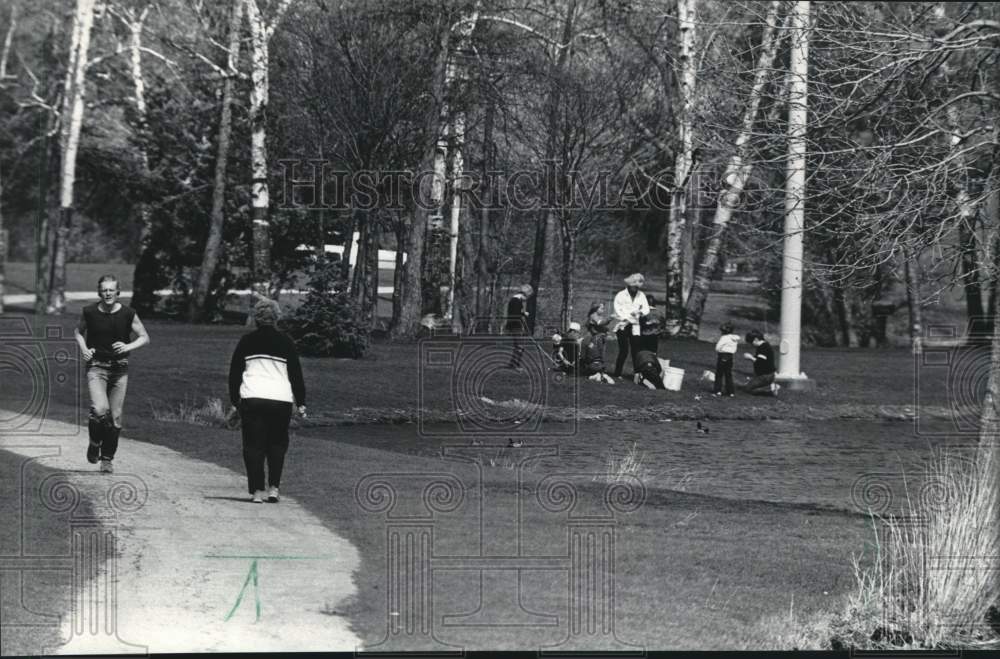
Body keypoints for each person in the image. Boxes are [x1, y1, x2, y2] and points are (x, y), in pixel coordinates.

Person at [228, 299, 307, 503]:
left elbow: (235, 373)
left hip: (253, 396)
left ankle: (257, 491)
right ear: (276, 317)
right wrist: (302, 402)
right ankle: (274, 488)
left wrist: (235, 401)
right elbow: (296, 375)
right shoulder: (286, 341)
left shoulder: (247, 341)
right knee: (277, 444)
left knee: (253, 445)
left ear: (257, 318)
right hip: (280, 399)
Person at [74, 275, 151, 473]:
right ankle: (94, 443)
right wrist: (84, 348)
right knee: (100, 409)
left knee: (115, 417)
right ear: (99, 292)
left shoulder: (128, 313)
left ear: (118, 292)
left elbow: (144, 337)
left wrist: (128, 345)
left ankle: (107, 459)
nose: (108, 293)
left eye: (111, 290)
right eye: (104, 290)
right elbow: (78, 332)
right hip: (96, 366)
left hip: (119, 369)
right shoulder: (89, 312)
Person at [612, 273, 649, 379]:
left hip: (635, 326)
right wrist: (629, 316)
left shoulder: (641, 295)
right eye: (634, 287)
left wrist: (640, 313)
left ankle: (637, 374)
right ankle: (617, 373)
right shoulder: (620, 295)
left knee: (636, 350)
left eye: (638, 287)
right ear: (629, 285)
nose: (636, 289)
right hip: (623, 325)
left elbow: (646, 309)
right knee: (624, 350)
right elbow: (618, 310)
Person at [582, 307, 615, 384]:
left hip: (599, 338)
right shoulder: (593, 316)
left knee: (599, 353)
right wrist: (610, 318)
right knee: (597, 353)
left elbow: (602, 324)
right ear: (596, 308)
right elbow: (600, 323)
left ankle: (597, 372)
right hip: (596, 339)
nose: (603, 310)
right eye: (602, 308)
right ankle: (596, 372)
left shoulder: (599, 317)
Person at [743, 329, 780, 396]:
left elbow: (761, 362)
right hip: (764, 375)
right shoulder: (764, 346)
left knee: (748, 389)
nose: (751, 345)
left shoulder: (763, 348)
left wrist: (750, 357)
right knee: (748, 386)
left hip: (765, 376)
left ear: (756, 339)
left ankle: (770, 389)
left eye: (751, 343)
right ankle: (769, 385)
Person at [505, 284, 533, 370]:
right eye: (527, 297)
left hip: (516, 325)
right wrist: (523, 314)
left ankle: (513, 364)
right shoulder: (516, 301)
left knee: (520, 346)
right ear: (525, 294)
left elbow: (516, 312)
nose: (526, 299)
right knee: (519, 346)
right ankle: (514, 365)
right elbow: (515, 314)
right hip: (515, 326)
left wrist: (522, 314)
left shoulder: (516, 300)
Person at [713, 322, 740, 397]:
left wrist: (719, 350)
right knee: (728, 374)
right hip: (730, 357)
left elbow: (718, 347)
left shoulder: (724, 338)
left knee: (719, 374)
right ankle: (731, 392)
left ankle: (717, 390)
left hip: (722, 356)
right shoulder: (735, 339)